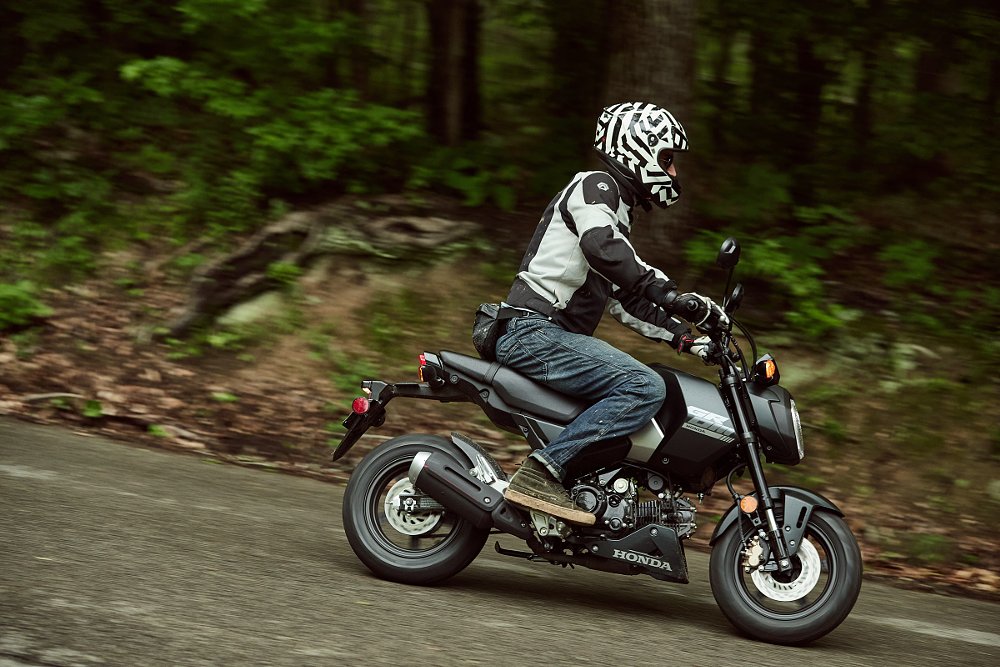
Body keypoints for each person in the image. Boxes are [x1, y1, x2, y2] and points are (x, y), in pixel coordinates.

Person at [494, 102, 728, 526]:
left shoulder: (616, 211)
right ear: (638, 149)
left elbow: (626, 299)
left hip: (550, 337)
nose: (673, 174)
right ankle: (542, 472)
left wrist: (687, 338)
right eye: (668, 161)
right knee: (644, 386)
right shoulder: (594, 186)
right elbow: (606, 250)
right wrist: (673, 295)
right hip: (531, 330)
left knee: (643, 382)